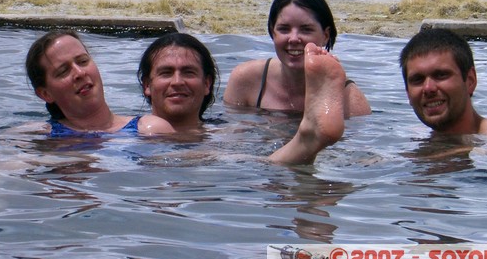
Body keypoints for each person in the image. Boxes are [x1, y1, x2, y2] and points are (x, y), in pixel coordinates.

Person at [139, 33, 346, 164]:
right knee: (261, 164)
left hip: (221, 188)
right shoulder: (127, 128)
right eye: (166, 73)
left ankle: (307, 140)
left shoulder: (230, 135)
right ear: (147, 85)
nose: (177, 81)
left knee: (265, 169)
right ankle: (305, 140)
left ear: (207, 84)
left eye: (188, 73)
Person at [223, 0, 370, 118]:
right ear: (272, 32)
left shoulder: (349, 99)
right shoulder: (246, 79)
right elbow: (229, 141)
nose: (293, 39)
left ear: (326, 35)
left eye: (306, 30)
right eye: (284, 29)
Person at [23, 29, 175, 136]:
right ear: (45, 94)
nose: (80, 73)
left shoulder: (150, 130)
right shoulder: (37, 137)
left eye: (83, 61)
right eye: (63, 71)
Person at [399, 28, 487, 143]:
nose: (428, 88)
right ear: (408, 93)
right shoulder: (417, 133)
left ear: (470, 81)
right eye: (417, 80)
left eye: (441, 75)